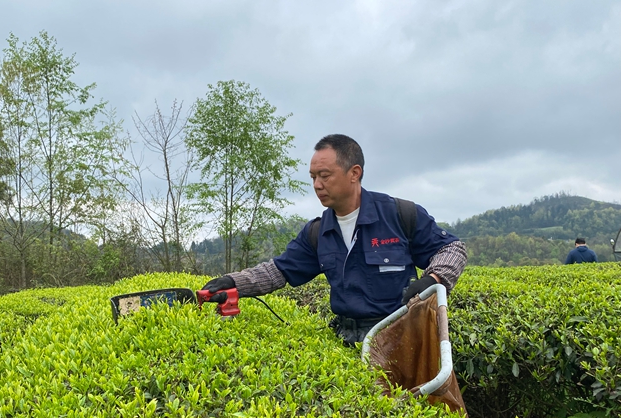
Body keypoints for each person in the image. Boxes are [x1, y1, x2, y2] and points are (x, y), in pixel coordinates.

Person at [201, 134, 468, 345]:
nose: (317, 185)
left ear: (354, 173)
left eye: (325, 176)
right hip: (345, 340)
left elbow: (452, 249)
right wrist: (233, 282)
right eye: (313, 177)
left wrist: (433, 280)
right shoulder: (318, 233)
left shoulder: (400, 214)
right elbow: (277, 271)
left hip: (401, 338)